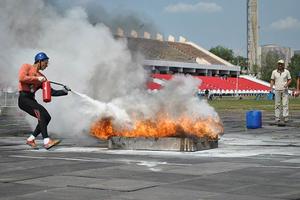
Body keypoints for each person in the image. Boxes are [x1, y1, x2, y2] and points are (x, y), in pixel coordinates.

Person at [18, 52, 70, 149]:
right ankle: (46, 141)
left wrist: (64, 91)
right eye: (46, 62)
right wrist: (36, 79)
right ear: (40, 61)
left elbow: (51, 92)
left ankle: (31, 139)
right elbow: (22, 78)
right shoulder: (26, 67)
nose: (46, 65)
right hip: (23, 98)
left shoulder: (43, 77)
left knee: (47, 117)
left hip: (31, 99)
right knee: (41, 113)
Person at [270, 59, 292, 123]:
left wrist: (286, 84)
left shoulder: (286, 72)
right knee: (277, 104)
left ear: (283, 65)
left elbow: (290, 79)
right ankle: (277, 117)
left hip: (284, 90)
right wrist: (271, 88)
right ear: (277, 64)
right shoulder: (274, 72)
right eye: (279, 64)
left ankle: (285, 117)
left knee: (285, 103)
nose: (280, 65)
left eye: (281, 64)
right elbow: (272, 80)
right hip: (277, 89)